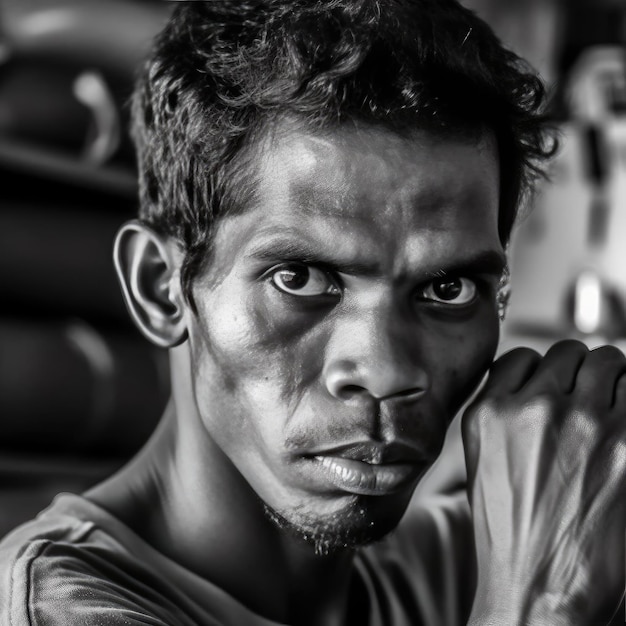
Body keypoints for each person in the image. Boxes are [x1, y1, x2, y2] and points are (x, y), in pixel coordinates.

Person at [1, 1, 624, 624]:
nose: (384, 371)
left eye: (449, 289)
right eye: (299, 278)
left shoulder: (475, 560)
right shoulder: (64, 609)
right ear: (162, 286)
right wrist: (546, 605)